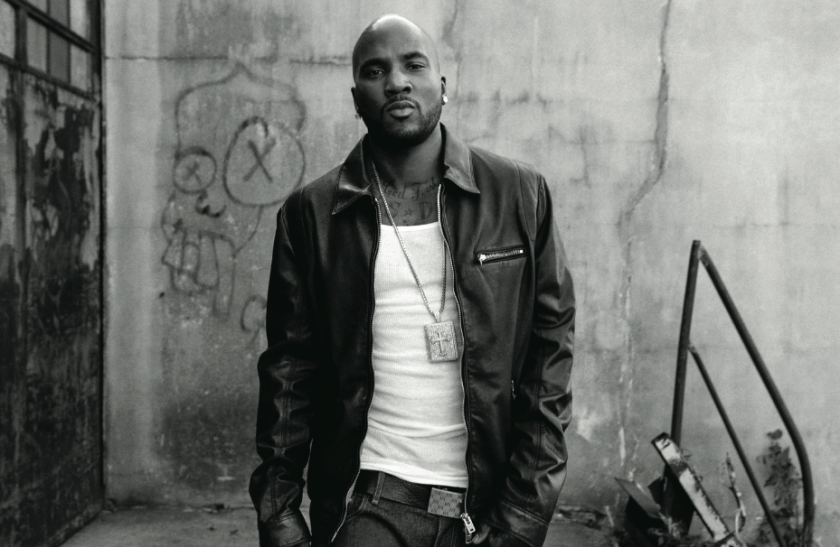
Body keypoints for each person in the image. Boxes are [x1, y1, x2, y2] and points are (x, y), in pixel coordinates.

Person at [250, 14, 575, 547]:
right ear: (357, 100)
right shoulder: (311, 214)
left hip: (487, 505)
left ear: (442, 86)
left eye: (413, 65)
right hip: (369, 502)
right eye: (375, 71)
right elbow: (289, 372)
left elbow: (550, 360)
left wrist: (524, 514)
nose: (396, 81)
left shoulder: (519, 194)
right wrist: (278, 513)